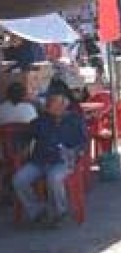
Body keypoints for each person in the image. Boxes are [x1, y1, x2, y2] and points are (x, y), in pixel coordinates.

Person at [13, 83, 87, 227]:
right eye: (49, 101)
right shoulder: (42, 119)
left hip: (63, 161)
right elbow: (25, 134)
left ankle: (60, 212)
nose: (48, 104)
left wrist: (74, 153)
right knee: (18, 179)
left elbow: (82, 142)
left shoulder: (75, 120)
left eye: (51, 101)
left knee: (54, 177)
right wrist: (20, 147)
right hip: (39, 161)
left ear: (63, 103)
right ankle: (37, 212)